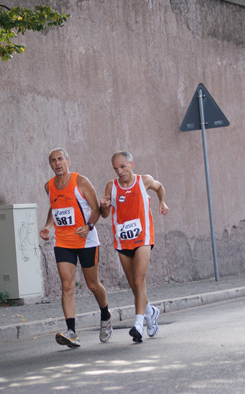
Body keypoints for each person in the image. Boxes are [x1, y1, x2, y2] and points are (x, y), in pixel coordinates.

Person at [39, 148, 113, 348]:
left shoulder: (81, 182)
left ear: (68, 161)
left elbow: (96, 209)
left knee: (92, 285)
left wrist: (88, 226)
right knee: (67, 285)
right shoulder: (49, 186)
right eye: (53, 161)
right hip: (63, 241)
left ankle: (106, 316)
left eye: (60, 159)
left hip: (86, 240)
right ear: (50, 165)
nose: (57, 163)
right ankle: (71, 332)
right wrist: (48, 226)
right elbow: (54, 208)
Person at [99, 151, 169, 343]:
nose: (119, 172)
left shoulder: (143, 180)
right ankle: (151, 312)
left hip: (143, 237)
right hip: (122, 240)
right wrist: (104, 206)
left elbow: (159, 187)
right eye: (115, 168)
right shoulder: (111, 187)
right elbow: (105, 214)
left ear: (131, 164)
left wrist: (162, 201)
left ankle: (138, 324)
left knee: (139, 280)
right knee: (133, 284)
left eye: (122, 167)